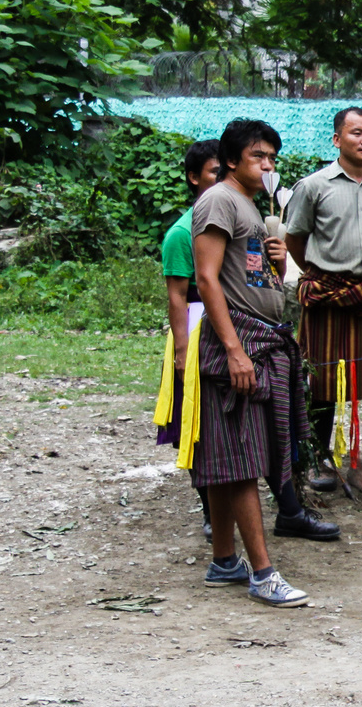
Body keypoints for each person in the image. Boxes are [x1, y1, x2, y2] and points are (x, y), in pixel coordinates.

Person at [184, 118, 336, 609]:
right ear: (232, 160)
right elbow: (207, 280)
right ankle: (263, 573)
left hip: (263, 339)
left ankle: (224, 559)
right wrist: (233, 350)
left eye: (272, 158)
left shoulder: (248, 206)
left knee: (232, 456)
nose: (268, 165)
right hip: (242, 345)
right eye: (258, 157)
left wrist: (274, 257)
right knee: (245, 459)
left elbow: (245, 274)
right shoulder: (218, 200)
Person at [284, 107, 362, 492]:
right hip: (328, 297)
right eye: (356, 133)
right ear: (337, 139)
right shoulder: (313, 186)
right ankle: (317, 464)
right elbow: (294, 236)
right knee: (322, 383)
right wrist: (320, 273)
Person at [153, 139, 220, 538]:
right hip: (196, 330)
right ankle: (210, 509)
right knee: (197, 422)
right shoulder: (182, 233)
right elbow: (177, 295)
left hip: (233, 323)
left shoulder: (236, 221)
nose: (221, 181)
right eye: (214, 173)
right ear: (195, 178)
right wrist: (182, 353)